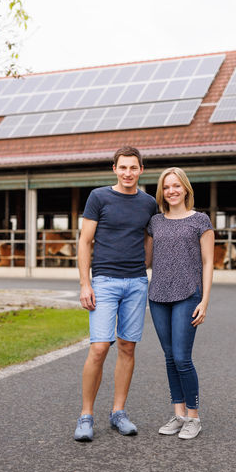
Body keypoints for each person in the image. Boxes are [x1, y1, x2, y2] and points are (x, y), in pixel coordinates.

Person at [74, 146, 157, 442]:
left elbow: (149, 239)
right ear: (114, 169)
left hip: (136, 282)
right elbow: (85, 242)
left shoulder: (148, 203)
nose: (128, 173)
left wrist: (144, 269)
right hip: (104, 282)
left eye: (133, 168)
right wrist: (86, 284)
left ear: (141, 170)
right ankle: (86, 416)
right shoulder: (99, 197)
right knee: (99, 348)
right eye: (123, 167)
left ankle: (118, 412)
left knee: (127, 347)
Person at [145, 167, 214, 440]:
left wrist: (205, 300)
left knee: (183, 358)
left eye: (176, 186)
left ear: (185, 188)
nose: (171, 191)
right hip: (158, 296)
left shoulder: (200, 220)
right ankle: (179, 414)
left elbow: (209, 263)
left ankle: (194, 417)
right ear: (161, 192)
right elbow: (147, 259)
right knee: (170, 357)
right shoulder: (155, 222)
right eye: (166, 187)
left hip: (188, 294)